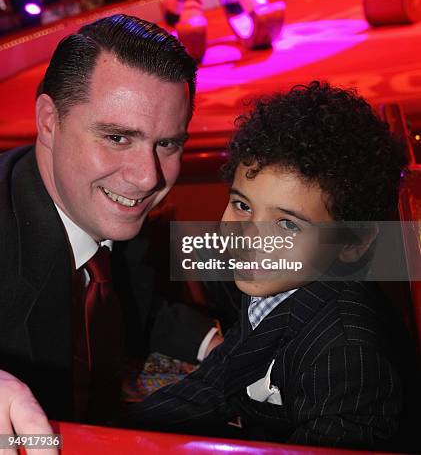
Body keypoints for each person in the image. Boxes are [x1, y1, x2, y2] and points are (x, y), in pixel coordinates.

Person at [128, 81, 420, 451]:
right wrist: (122, 434)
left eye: (286, 224)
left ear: (351, 244)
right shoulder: (276, 283)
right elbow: (222, 375)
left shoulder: (348, 356)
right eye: (243, 205)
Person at [0, 14, 223, 442]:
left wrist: (215, 345)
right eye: (118, 137)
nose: (147, 177)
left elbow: (134, 305)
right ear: (49, 120)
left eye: (168, 143)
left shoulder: (104, 208)